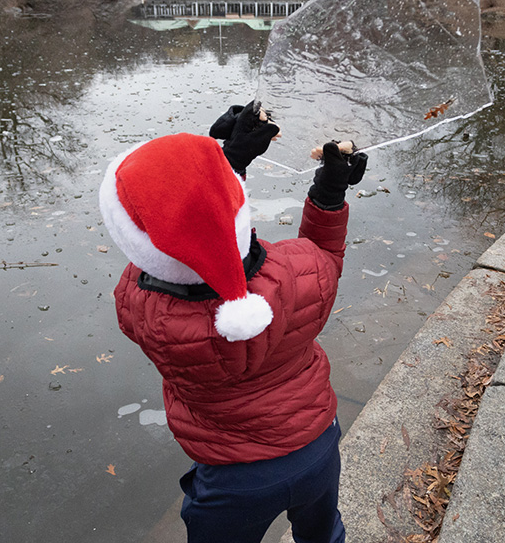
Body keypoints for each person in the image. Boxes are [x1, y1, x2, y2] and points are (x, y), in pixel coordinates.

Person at [98, 101, 367, 543]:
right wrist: (329, 191)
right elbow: (326, 253)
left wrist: (229, 160)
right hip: (316, 444)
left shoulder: (144, 312)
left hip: (233, 478)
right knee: (322, 535)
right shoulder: (300, 274)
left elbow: (165, 249)